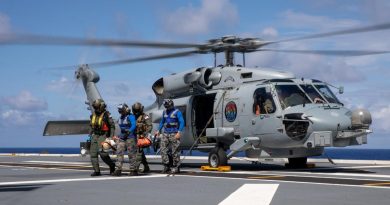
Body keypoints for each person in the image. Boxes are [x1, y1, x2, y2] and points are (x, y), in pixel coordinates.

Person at [155, 99, 185, 174]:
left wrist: (179, 132)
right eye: (166, 106)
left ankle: (176, 167)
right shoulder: (164, 112)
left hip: (174, 133)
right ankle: (166, 165)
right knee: (162, 149)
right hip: (165, 133)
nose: (167, 108)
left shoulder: (177, 112)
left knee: (175, 151)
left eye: (168, 106)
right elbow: (162, 121)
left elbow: (182, 122)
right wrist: (158, 130)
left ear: (171, 105)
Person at [89, 99, 116, 176]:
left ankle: (112, 165)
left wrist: (110, 137)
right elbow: (91, 126)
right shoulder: (93, 115)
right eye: (95, 107)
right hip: (95, 135)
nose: (96, 109)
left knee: (103, 154)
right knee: (93, 154)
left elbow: (112, 126)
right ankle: (97, 171)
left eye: (97, 107)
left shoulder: (107, 115)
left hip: (103, 135)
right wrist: (89, 137)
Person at [112, 103, 138, 176]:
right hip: (122, 137)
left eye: (121, 110)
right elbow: (117, 127)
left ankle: (133, 170)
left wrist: (129, 131)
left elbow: (134, 125)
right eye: (120, 111)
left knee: (131, 154)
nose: (120, 112)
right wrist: (116, 136)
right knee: (119, 152)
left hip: (130, 137)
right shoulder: (120, 118)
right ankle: (118, 169)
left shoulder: (131, 117)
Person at [132, 102, 152, 173]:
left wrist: (145, 134)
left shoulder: (145, 117)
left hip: (141, 137)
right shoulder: (132, 117)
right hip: (133, 137)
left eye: (137, 110)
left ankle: (135, 168)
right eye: (135, 110)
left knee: (139, 152)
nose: (136, 112)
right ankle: (146, 167)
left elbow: (149, 126)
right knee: (139, 152)